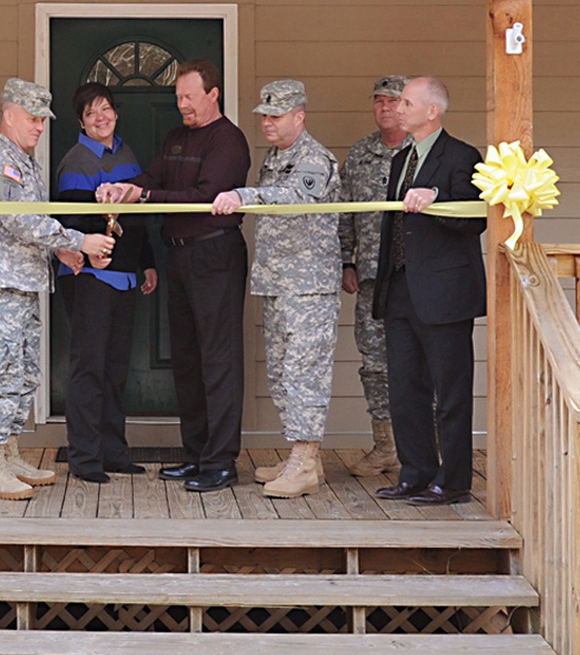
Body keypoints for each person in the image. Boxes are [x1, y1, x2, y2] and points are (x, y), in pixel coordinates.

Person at [97, 58, 251, 492]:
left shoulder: (229, 140)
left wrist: (145, 194)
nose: (182, 104)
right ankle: (197, 454)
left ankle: (221, 462)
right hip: (179, 256)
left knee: (218, 361)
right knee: (187, 359)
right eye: (178, 96)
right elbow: (153, 177)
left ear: (213, 94)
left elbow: (204, 197)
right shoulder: (177, 137)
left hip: (215, 254)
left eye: (189, 96)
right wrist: (125, 188)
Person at [0, 78, 115, 500]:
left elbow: (26, 230)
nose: (38, 127)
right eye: (31, 119)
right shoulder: (0, 162)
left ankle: (9, 452)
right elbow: (20, 220)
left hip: (23, 282)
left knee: (22, 373)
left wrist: (60, 254)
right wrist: (78, 241)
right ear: (9, 115)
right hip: (0, 285)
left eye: (42, 120)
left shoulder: (24, 162)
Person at [213, 79, 341, 499]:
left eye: (276, 115)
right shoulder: (274, 157)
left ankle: (303, 463)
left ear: (299, 116)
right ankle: (305, 458)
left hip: (307, 287)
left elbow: (291, 198)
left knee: (304, 373)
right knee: (283, 372)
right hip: (278, 281)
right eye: (264, 115)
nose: (267, 122)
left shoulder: (313, 158)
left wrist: (241, 194)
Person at [373, 75, 488, 506]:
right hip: (401, 287)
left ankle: (454, 479)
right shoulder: (401, 158)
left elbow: (474, 219)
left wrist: (436, 195)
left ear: (432, 111)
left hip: (445, 292)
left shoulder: (461, 156)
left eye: (405, 102)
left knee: (451, 390)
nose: (397, 109)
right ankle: (415, 472)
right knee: (404, 388)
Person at [53, 82, 157, 483]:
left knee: (116, 369)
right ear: (81, 121)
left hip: (126, 278)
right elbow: (71, 225)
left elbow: (137, 218)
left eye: (107, 109)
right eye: (92, 113)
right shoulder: (76, 163)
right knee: (89, 368)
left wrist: (146, 263)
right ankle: (84, 458)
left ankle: (114, 451)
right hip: (89, 277)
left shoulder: (127, 153)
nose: (102, 118)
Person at [338, 75, 410, 477]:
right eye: (379, 101)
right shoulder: (361, 153)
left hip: (414, 277)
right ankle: (385, 446)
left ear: (408, 106)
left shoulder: (422, 152)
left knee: (420, 361)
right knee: (374, 364)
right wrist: (346, 262)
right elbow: (344, 212)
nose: (385, 108)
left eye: (393, 101)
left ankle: (421, 447)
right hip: (370, 277)